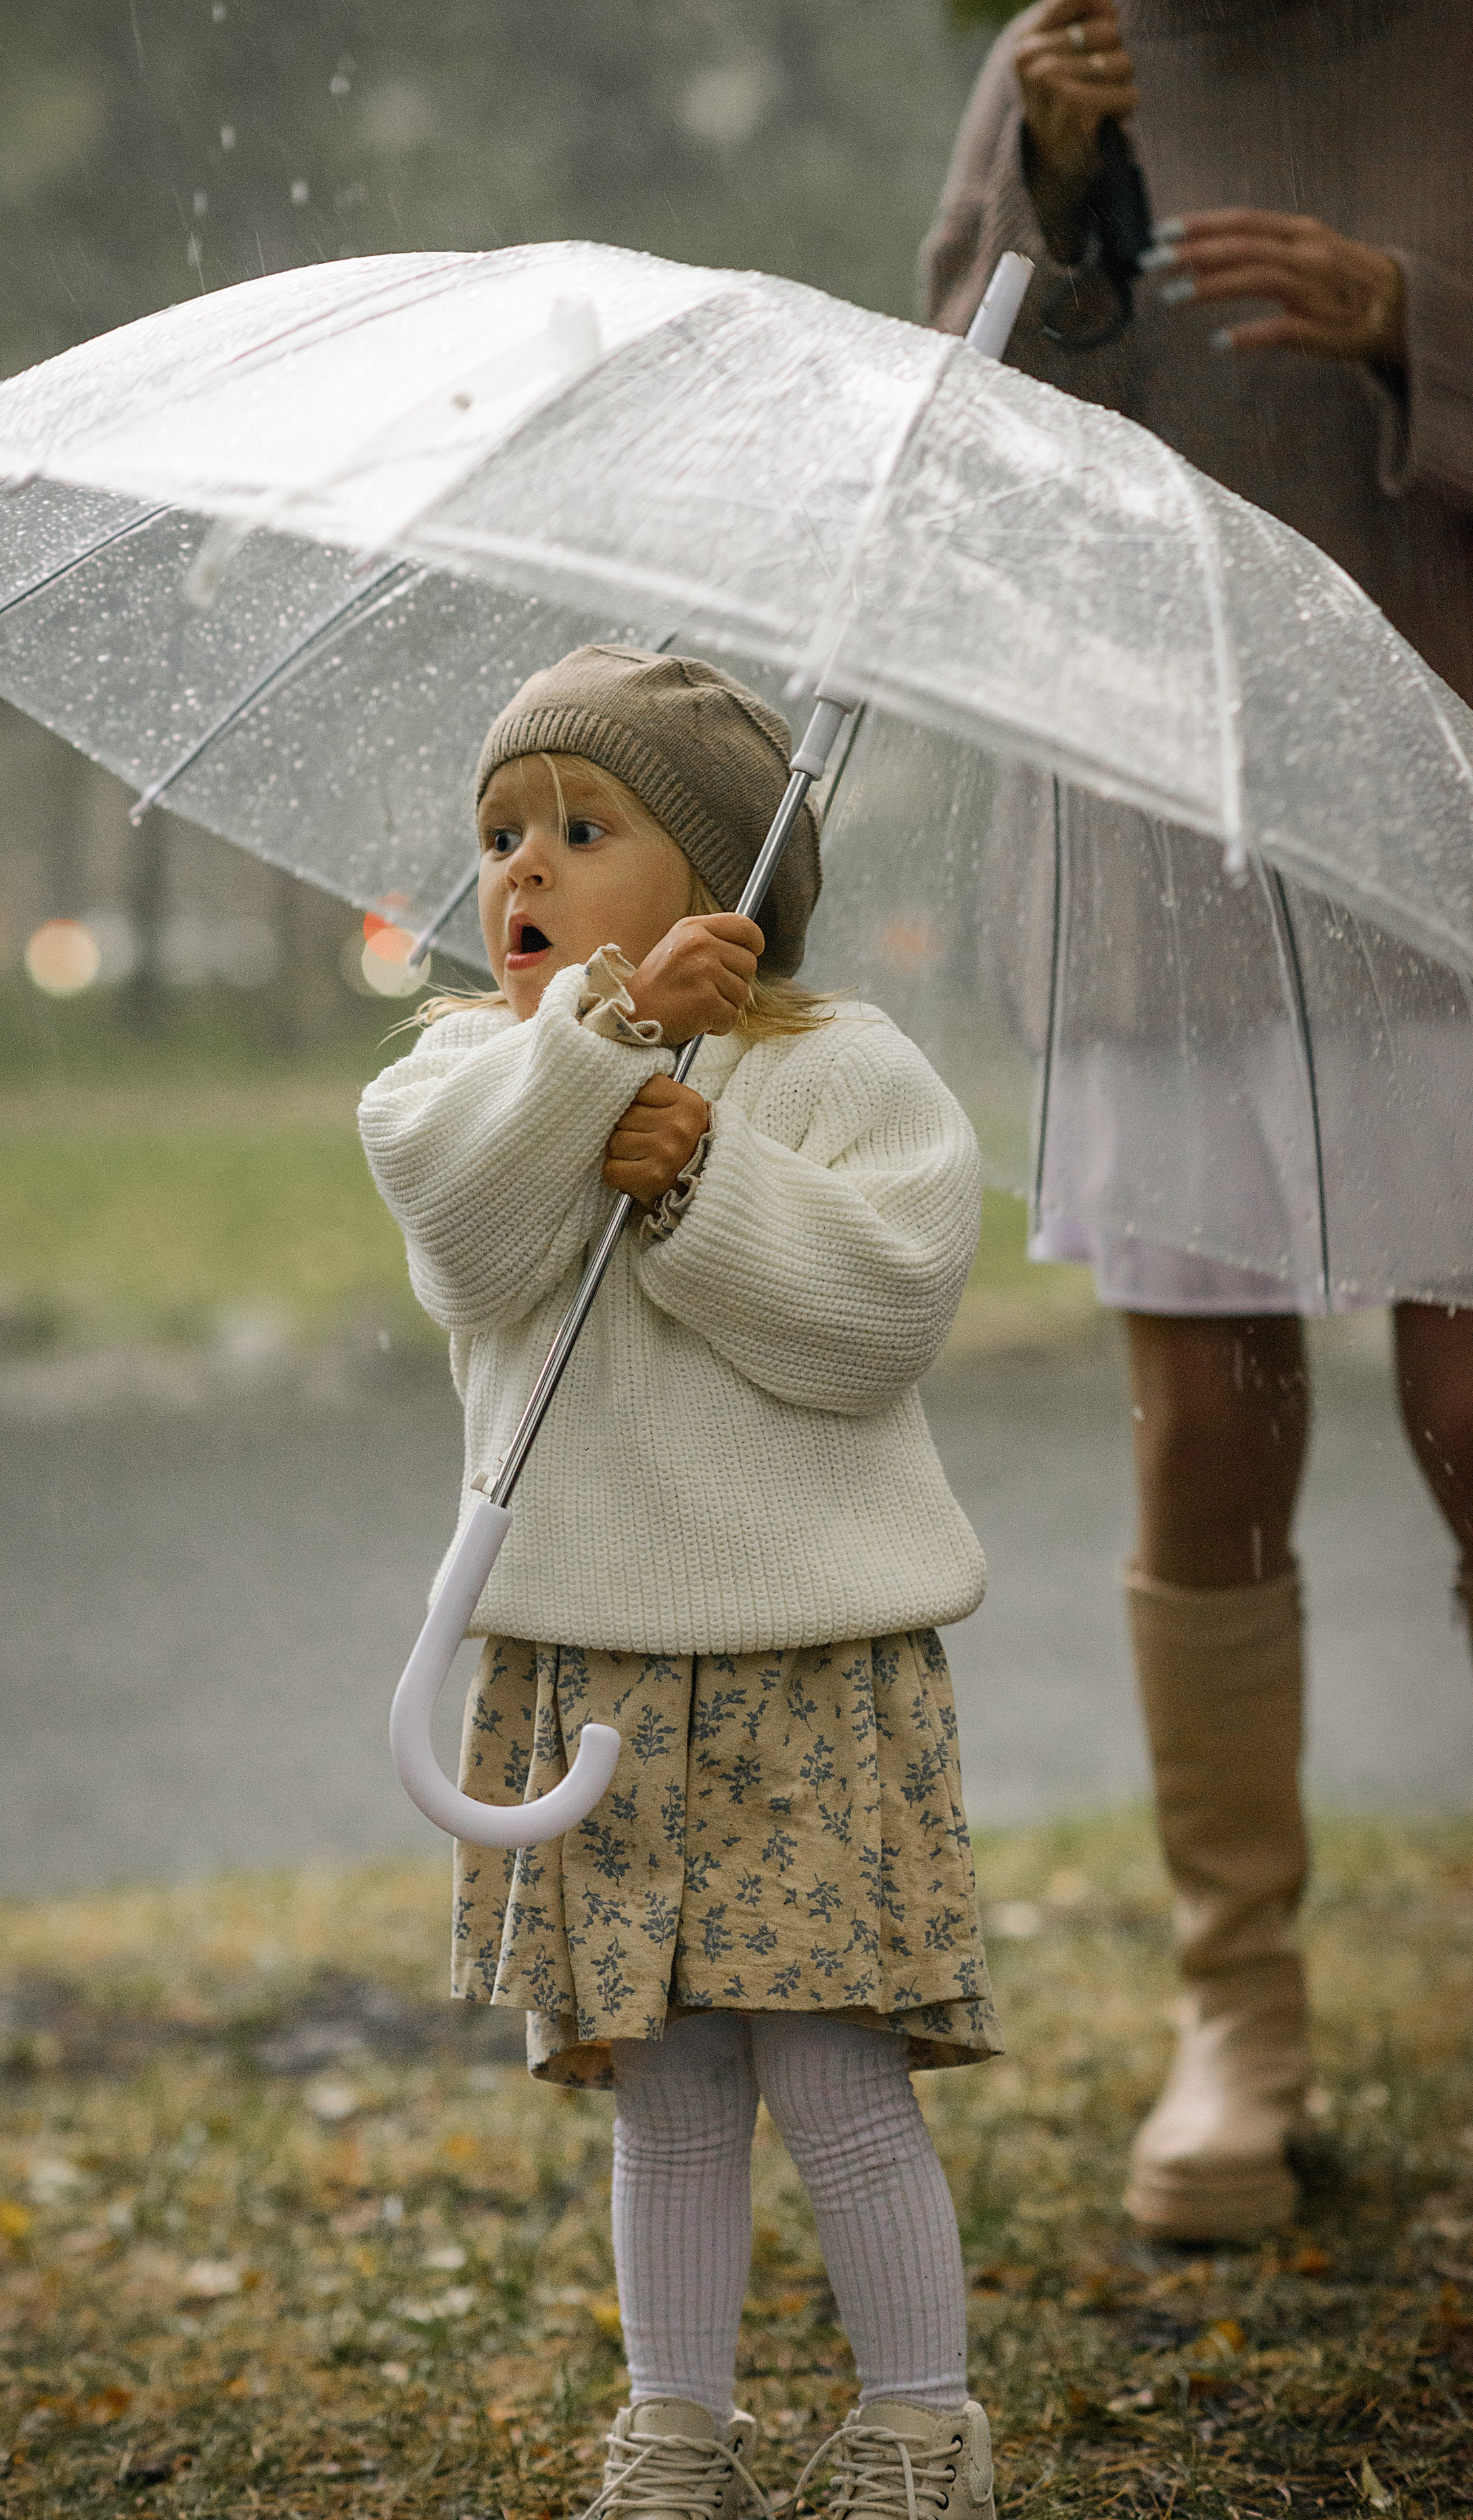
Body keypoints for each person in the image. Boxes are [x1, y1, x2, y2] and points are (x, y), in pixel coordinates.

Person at [922, 0, 1473, 2243]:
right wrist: (1056, 201)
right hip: (1160, 816)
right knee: (1210, 1433)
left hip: (1447, 810)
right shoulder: (1074, 47)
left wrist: (1413, 327)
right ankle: (1237, 2017)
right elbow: (939, 443)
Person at [360, 647, 1002, 2520]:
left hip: (804, 1658)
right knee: (670, 2090)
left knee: (833, 2072)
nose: (521, 870)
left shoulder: (843, 1072)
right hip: (593, 1665)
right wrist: (605, 1050)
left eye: (582, 825)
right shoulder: (465, 1073)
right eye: (499, 834)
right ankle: (681, 2426)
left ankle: (919, 2418)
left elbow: (874, 1320)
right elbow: (475, 1239)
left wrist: (700, 1174)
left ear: (727, 869)